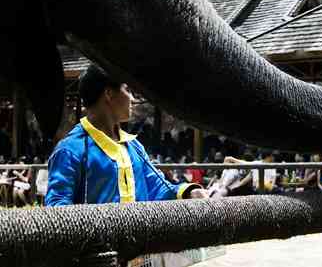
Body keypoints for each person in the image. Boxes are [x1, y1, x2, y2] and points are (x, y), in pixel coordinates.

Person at [45, 64, 207, 205]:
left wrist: (189, 192)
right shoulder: (70, 151)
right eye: (128, 90)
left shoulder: (134, 147)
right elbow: (58, 208)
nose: (132, 98)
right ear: (109, 93)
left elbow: (156, 187)